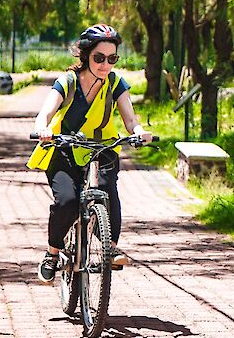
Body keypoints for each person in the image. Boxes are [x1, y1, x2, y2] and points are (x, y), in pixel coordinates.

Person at [27, 24, 153, 282]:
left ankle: (110, 247)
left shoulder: (116, 83)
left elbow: (130, 119)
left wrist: (139, 131)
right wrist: (42, 128)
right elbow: (46, 112)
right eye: (99, 58)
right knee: (68, 202)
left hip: (102, 148)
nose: (105, 64)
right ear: (86, 56)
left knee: (108, 193)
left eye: (112, 58)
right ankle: (52, 253)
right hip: (64, 148)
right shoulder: (69, 81)